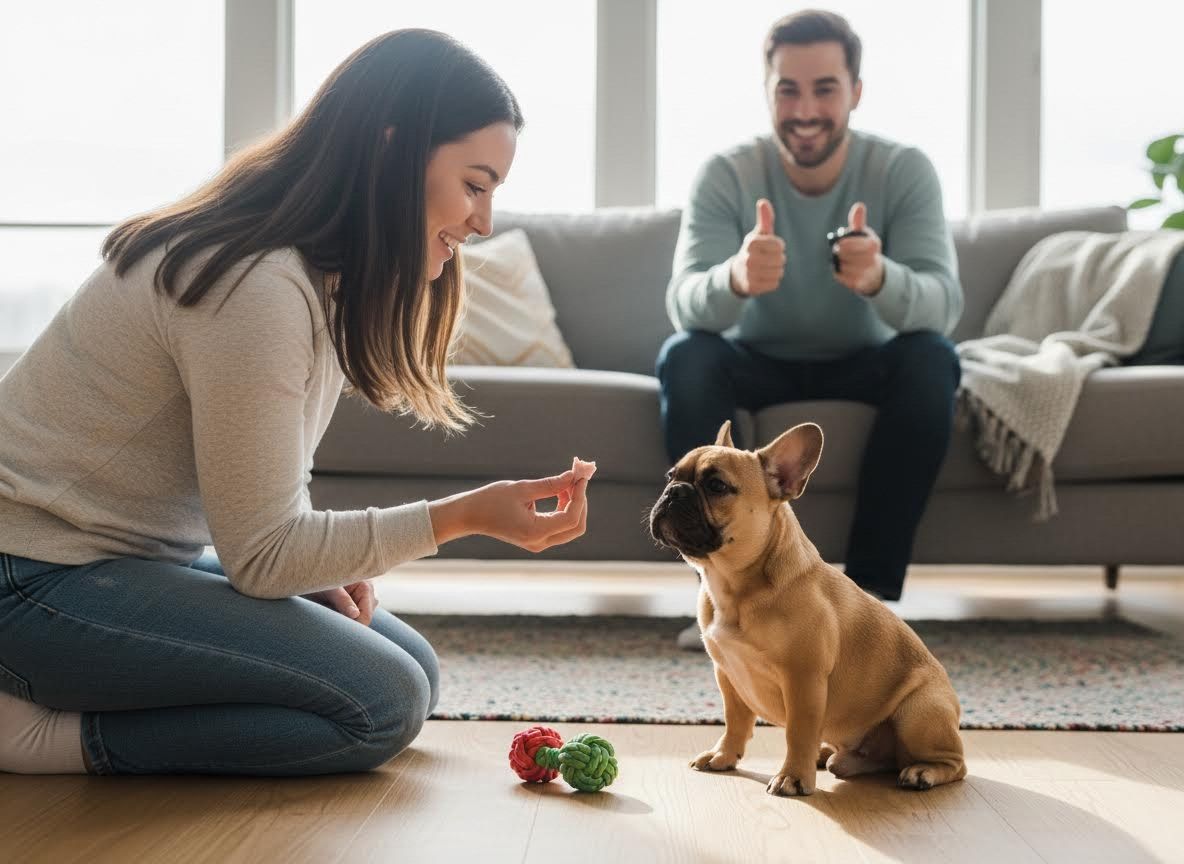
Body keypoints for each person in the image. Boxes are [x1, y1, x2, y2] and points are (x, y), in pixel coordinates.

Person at [0, 29, 592, 776]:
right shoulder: (256, 285)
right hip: (27, 576)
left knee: (408, 663)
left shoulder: (317, 275)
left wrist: (312, 566)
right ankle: (33, 738)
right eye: (475, 185)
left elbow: (272, 507)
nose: (483, 223)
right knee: (380, 701)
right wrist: (466, 515)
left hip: (123, 558)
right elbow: (263, 555)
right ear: (391, 152)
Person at [658, 9, 963, 622]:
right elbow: (685, 302)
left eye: (825, 88)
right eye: (788, 89)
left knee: (934, 359)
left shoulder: (903, 170)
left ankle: (870, 598)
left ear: (855, 91)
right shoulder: (726, 173)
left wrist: (880, 278)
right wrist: (736, 278)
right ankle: (720, 590)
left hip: (865, 361)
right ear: (767, 91)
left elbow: (943, 304)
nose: (805, 110)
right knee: (686, 356)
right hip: (757, 361)